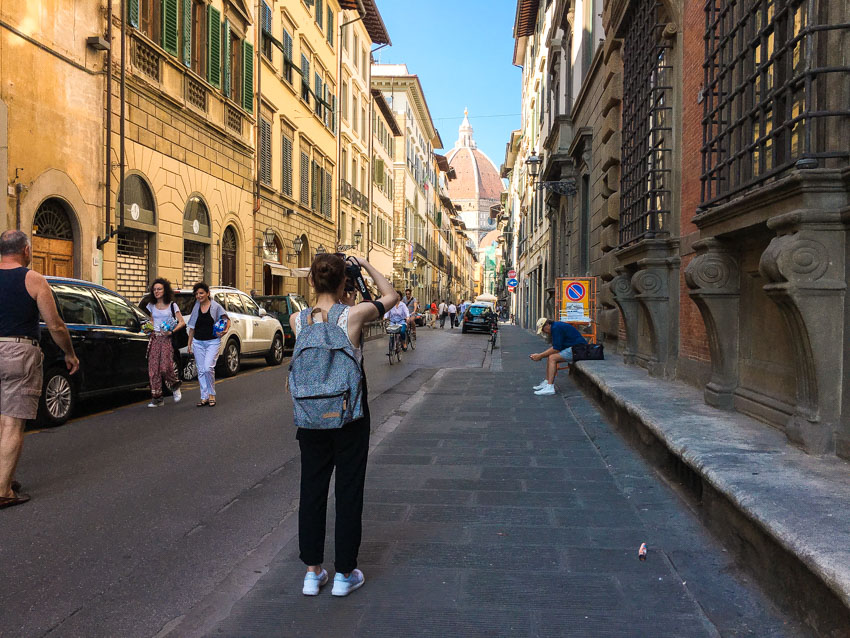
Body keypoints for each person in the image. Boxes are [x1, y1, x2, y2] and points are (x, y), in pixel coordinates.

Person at [291, 253, 396, 597]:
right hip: (349, 416)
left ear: (310, 281)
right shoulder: (352, 316)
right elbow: (391, 296)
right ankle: (344, 574)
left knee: (312, 490)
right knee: (348, 492)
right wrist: (364, 265)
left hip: (309, 418)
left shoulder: (297, 320)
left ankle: (312, 572)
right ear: (342, 284)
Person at [0, 230, 79, 509]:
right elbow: (55, 324)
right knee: (12, 421)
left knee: (1, 418)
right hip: (18, 352)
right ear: (25, 250)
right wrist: (69, 353)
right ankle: (3, 491)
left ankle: (4, 477)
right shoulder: (32, 279)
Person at [186, 282, 230, 407]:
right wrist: (189, 344)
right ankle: (204, 397)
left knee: (207, 368)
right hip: (198, 342)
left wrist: (225, 330)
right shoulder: (196, 307)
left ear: (207, 293)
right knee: (201, 370)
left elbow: (227, 320)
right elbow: (192, 327)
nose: (199, 296)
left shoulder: (215, 307)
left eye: (201, 293)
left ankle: (212, 394)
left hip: (212, 341)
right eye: (197, 294)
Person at [142, 278, 184, 408]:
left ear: (165, 290)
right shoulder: (151, 306)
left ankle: (175, 385)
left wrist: (171, 332)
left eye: (159, 289)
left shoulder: (172, 305)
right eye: (154, 289)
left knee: (165, 367)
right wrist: (148, 329)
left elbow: (181, 322)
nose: (156, 291)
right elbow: (152, 321)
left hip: (166, 339)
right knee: (153, 370)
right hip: (155, 338)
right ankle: (157, 398)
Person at [530, 317, 588, 396]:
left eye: (543, 330)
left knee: (552, 358)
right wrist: (541, 355)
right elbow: (556, 347)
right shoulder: (556, 326)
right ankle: (547, 382)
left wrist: (540, 355)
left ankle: (550, 387)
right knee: (551, 356)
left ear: (547, 325)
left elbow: (556, 349)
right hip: (576, 348)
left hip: (579, 349)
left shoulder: (556, 328)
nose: (544, 332)